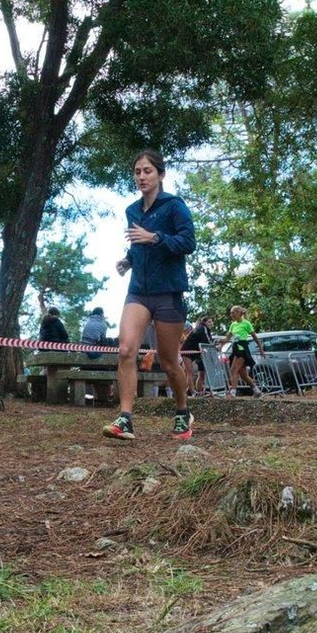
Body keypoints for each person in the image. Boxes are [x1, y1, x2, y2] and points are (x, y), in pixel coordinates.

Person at [102, 150, 196, 440]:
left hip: (168, 292)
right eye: (137, 172)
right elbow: (137, 245)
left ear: (161, 175)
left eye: (147, 171)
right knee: (126, 349)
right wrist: (129, 259)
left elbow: (188, 242)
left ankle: (183, 412)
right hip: (139, 292)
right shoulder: (132, 210)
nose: (141, 177)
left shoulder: (174, 206)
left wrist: (155, 237)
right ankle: (125, 419)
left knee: (168, 362)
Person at [222, 304, 264, 396]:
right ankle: (257, 391)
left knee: (234, 370)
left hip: (242, 347)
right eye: (230, 313)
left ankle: (232, 392)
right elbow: (227, 339)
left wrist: (261, 348)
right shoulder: (233, 325)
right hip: (235, 347)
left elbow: (255, 337)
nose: (231, 315)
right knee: (243, 374)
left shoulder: (246, 323)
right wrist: (220, 342)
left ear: (239, 313)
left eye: (233, 313)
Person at [181, 313, 215, 394]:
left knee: (199, 373)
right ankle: (192, 391)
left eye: (211, 322)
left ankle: (196, 391)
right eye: (209, 322)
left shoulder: (205, 329)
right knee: (190, 372)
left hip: (195, 352)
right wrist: (215, 347)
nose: (211, 323)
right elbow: (208, 341)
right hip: (187, 351)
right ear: (204, 322)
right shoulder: (202, 328)